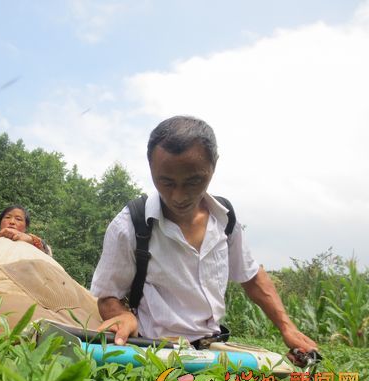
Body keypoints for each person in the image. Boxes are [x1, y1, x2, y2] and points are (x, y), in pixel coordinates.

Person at [90, 115, 317, 359]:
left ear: (213, 166)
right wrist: (123, 315)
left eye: (193, 181)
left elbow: (251, 277)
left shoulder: (225, 219)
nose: (178, 196)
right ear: (150, 166)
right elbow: (107, 295)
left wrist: (287, 327)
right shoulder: (130, 225)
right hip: (153, 351)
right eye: (166, 182)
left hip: (213, 350)